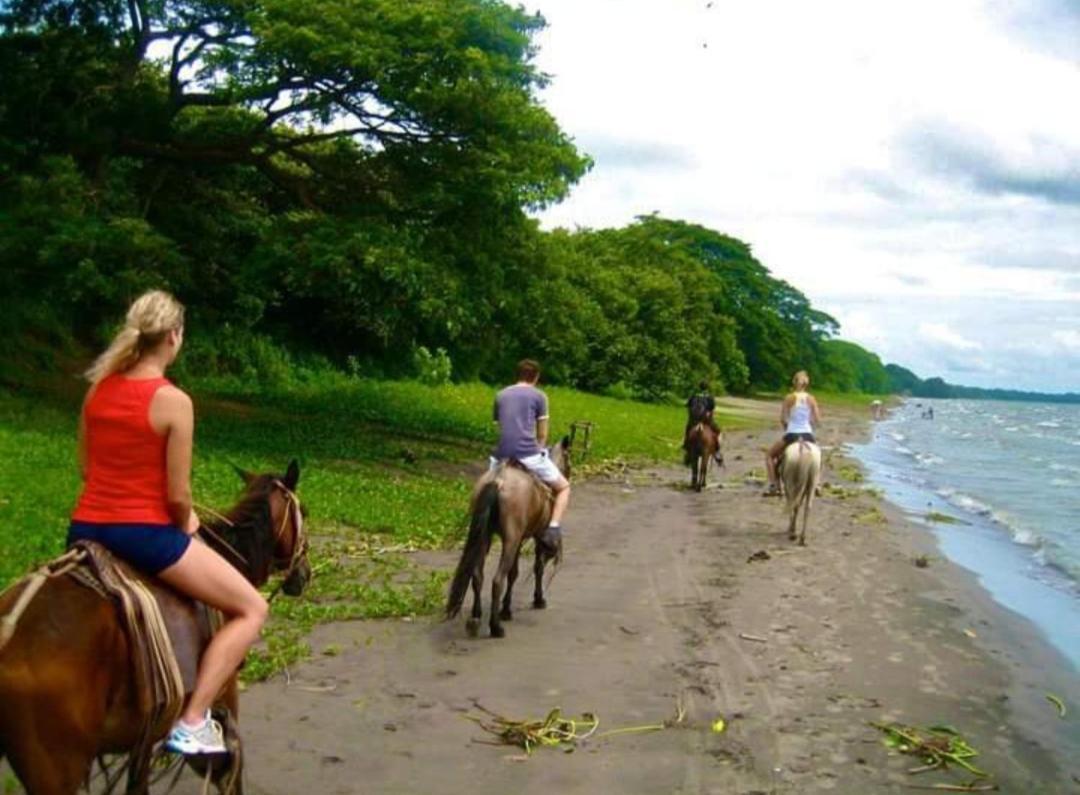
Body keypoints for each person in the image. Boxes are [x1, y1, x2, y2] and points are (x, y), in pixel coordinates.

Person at [68, 290, 268, 755]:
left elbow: (86, 468)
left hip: (84, 529)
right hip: (145, 534)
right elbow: (177, 496)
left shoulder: (98, 389)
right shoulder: (173, 401)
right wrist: (188, 521)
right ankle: (193, 720)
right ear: (174, 337)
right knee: (251, 608)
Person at [490, 359, 570, 551]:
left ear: (517, 375)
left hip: (501, 455)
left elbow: (500, 427)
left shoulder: (500, 395)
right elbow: (542, 434)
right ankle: (553, 529)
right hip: (528, 453)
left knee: (488, 487)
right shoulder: (539, 396)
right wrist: (540, 449)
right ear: (536, 377)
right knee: (564, 487)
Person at [764, 370, 822, 495]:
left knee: (769, 456)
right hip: (807, 434)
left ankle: (774, 485)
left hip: (792, 434)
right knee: (819, 455)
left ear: (794, 382)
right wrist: (809, 425)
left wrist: (787, 428)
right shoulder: (811, 399)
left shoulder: (789, 397)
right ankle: (816, 484)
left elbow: (782, 418)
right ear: (806, 384)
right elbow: (817, 420)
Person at [684, 381, 723, 463]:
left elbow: (688, 407)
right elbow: (711, 410)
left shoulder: (694, 396)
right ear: (707, 388)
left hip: (694, 421)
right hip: (707, 421)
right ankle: (717, 451)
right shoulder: (709, 397)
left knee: (688, 431)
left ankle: (687, 449)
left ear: (699, 387)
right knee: (718, 431)